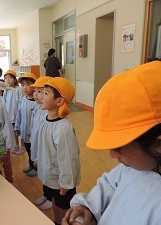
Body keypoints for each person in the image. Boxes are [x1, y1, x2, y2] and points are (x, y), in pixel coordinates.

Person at [62, 61, 161, 225]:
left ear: (158, 144)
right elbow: (109, 185)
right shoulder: (135, 166)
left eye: (118, 146)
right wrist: (89, 211)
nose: (112, 154)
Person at [37, 77, 81, 225]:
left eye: (46, 93)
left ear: (59, 101)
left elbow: (68, 158)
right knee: (55, 202)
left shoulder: (63, 129)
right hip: (51, 173)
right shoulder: (45, 119)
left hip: (61, 179)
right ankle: (56, 221)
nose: (41, 96)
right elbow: (43, 145)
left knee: (64, 207)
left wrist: (66, 182)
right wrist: (38, 158)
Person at [29, 76, 53, 209]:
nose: (37, 95)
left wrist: (39, 155)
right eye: (36, 91)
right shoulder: (38, 109)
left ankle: (50, 197)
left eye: (41, 92)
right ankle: (46, 193)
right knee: (43, 173)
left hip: (45, 151)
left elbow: (46, 138)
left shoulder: (48, 113)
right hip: (38, 147)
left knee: (48, 174)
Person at [14, 73, 38, 164]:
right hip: (25, 131)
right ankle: (30, 164)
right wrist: (17, 127)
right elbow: (18, 114)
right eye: (22, 85)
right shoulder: (23, 100)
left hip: (34, 133)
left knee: (35, 150)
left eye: (28, 85)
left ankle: (36, 167)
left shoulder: (37, 103)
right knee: (27, 148)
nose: (25, 88)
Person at [2, 69, 24, 152]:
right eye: (6, 78)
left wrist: (20, 112)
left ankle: (22, 146)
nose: (8, 79)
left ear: (15, 80)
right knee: (13, 132)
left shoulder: (18, 89)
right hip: (9, 115)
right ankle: (16, 145)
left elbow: (21, 101)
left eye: (10, 78)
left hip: (17, 114)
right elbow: (4, 102)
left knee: (20, 131)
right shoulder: (6, 90)